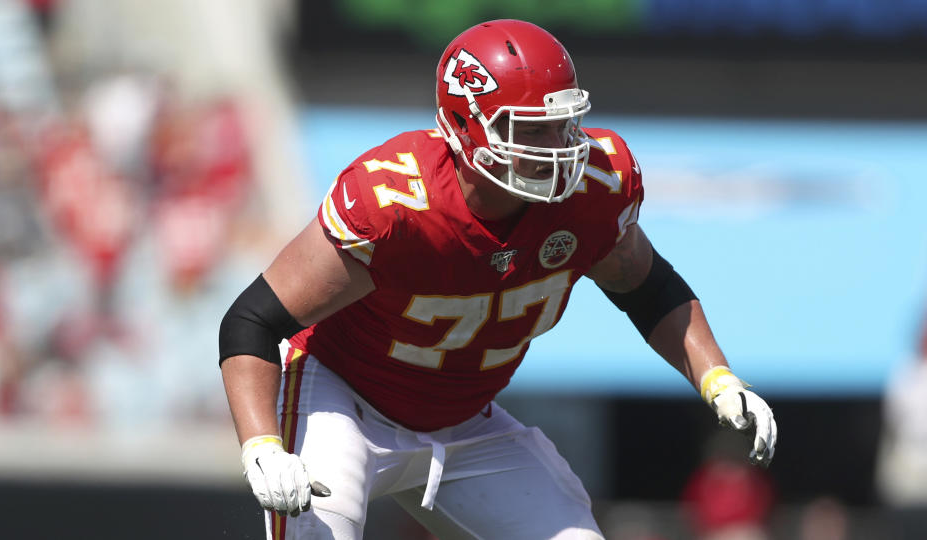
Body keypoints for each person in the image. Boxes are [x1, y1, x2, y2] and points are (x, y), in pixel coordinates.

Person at [219, 19, 777, 540]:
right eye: (531, 131)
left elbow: (649, 289)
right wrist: (263, 445)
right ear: (464, 127)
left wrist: (718, 379)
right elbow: (251, 320)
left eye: (562, 127)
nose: (556, 149)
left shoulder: (593, 191)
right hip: (344, 400)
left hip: (465, 424)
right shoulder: (395, 202)